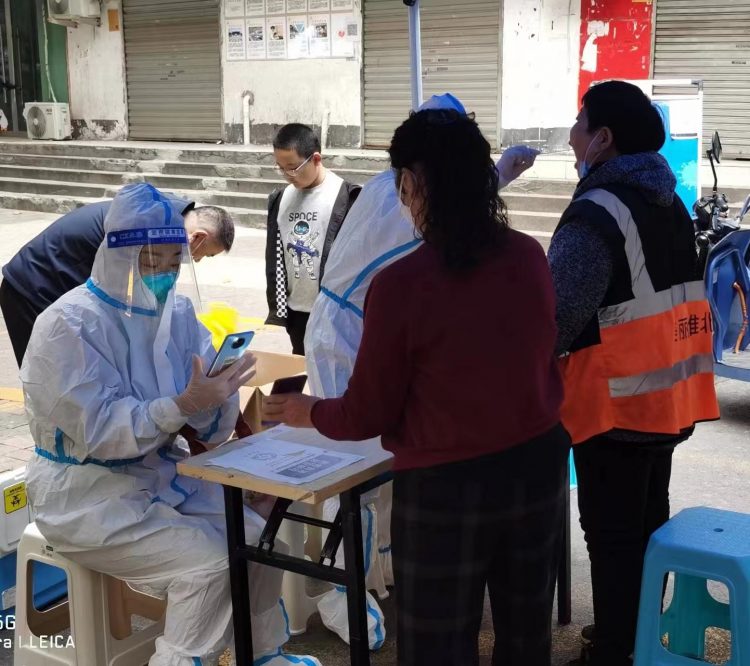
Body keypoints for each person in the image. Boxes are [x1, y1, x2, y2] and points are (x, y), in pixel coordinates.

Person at [263, 109, 570, 666]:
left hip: (447, 484)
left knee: (437, 645)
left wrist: (308, 410)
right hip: (536, 468)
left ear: (408, 186)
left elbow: (367, 414)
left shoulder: (402, 285)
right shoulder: (527, 255)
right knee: (526, 635)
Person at [22, 183, 320, 666]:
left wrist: (216, 398)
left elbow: (206, 420)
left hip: (161, 474)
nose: (163, 273)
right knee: (210, 565)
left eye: (173, 261)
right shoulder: (68, 325)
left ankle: (265, 653)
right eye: (150, 260)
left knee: (260, 541)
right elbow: (100, 431)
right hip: (86, 493)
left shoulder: (177, 314)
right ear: (117, 256)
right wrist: (179, 406)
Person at [548, 80, 720, 666]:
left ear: (603, 138)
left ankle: (615, 651)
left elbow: (556, 317)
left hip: (615, 406)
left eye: (579, 124)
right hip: (667, 398)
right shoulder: (668, 201)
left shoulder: (597, 213)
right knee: (647, 524)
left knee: (612, 537)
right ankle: (639, 635)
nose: (572, 136)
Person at [0, 197, 234, 367]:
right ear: (198, 237)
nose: (196, 260)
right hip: (32, 288)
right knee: (49, 369)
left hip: (63, 282)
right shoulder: (145, 224)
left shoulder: (164, 214)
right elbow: (126, 296)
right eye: (205, 255)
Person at [265, 123, 360, 354]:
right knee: (302, 368)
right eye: (281, 168)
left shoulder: (348, 197)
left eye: (293, 168)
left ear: (316, 158)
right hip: (296, 312)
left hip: (336, 312)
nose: (288, 176)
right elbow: (275, 258)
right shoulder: (280, 198)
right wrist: (279, 309)